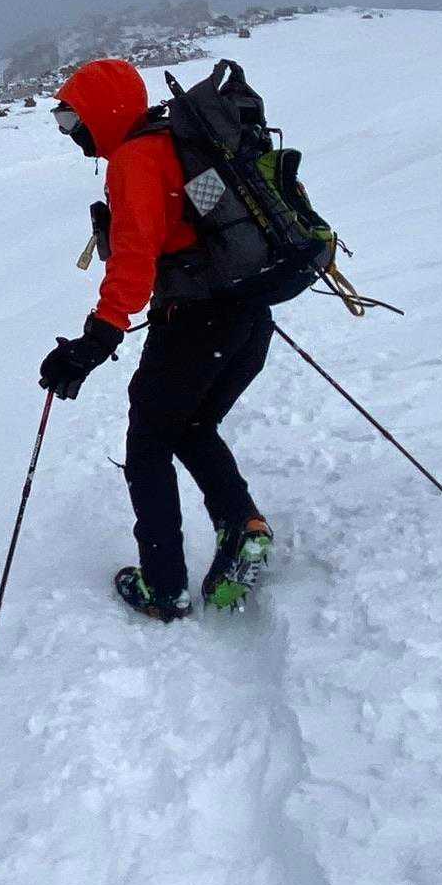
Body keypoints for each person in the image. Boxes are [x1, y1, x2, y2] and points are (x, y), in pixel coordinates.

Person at [39, 57, 273, 621]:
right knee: (190, 425)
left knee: (147, 443)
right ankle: (243, 526)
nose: (72, 134)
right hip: (245, 313)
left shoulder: (135, 160)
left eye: (73, 120)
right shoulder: (178, 144)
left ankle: (164, 586)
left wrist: (94, 343)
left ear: (104, 112)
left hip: (197, 323)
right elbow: (207, 224)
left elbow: (135, 259)